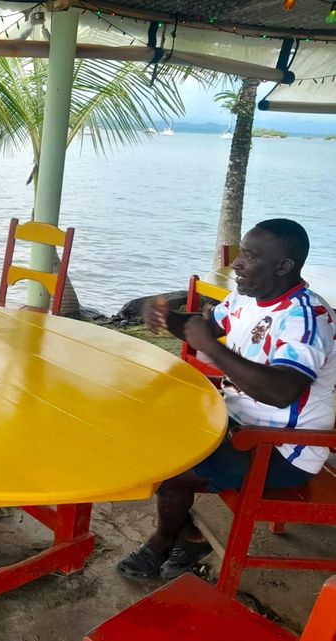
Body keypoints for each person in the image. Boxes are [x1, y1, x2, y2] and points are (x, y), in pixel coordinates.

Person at [116, 218, 336, 581]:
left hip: (283, 448)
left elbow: (281, 391)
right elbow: (207, 327)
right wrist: (168, 317)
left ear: (284, 265)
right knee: (147, 430)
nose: (237, 263)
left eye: (249, 256)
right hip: (237, 419)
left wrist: (210, 348)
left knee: (176, 470)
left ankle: (161, 544)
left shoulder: (305, 320)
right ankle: (189, 534)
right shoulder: (248, 296)